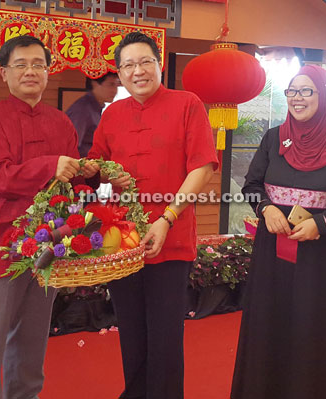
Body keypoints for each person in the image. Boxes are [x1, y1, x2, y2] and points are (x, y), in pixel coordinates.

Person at [86, 32, 218, 399]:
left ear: (159, 64)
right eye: (128, 65)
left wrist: (168, 217)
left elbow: (203, 166)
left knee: (165, 336)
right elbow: (97, 169)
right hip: (121, 242)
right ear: (119, 73)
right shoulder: (111, 114)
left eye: (145, 61)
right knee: (131, 332)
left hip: (170, 238)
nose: (138, 71)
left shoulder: (187, 103)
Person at [0, 35, 94, 398]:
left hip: (47, 244)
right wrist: (51, 165)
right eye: (21, 65)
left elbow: (71, 185)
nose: (30, 71)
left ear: (48, 72)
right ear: (4, 74)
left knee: (33, 339)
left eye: (38, 64)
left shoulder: (61, 123)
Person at [230, 64, 326, 399]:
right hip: (272, 251)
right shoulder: (273, 137)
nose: (297, 98)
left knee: (313, 325)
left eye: (307, 90)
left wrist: (320, 223)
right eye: (292, 91)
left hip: (320, 253)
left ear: (325, 94)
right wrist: (266, 208)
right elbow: (251, 185)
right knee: (270, 321)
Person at [66, 72, 119, 157]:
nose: (115, 91)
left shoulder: (96, 108)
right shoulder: (82, 109)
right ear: (95, 84)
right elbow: (72, 147)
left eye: (116, 85)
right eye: (111, 85)